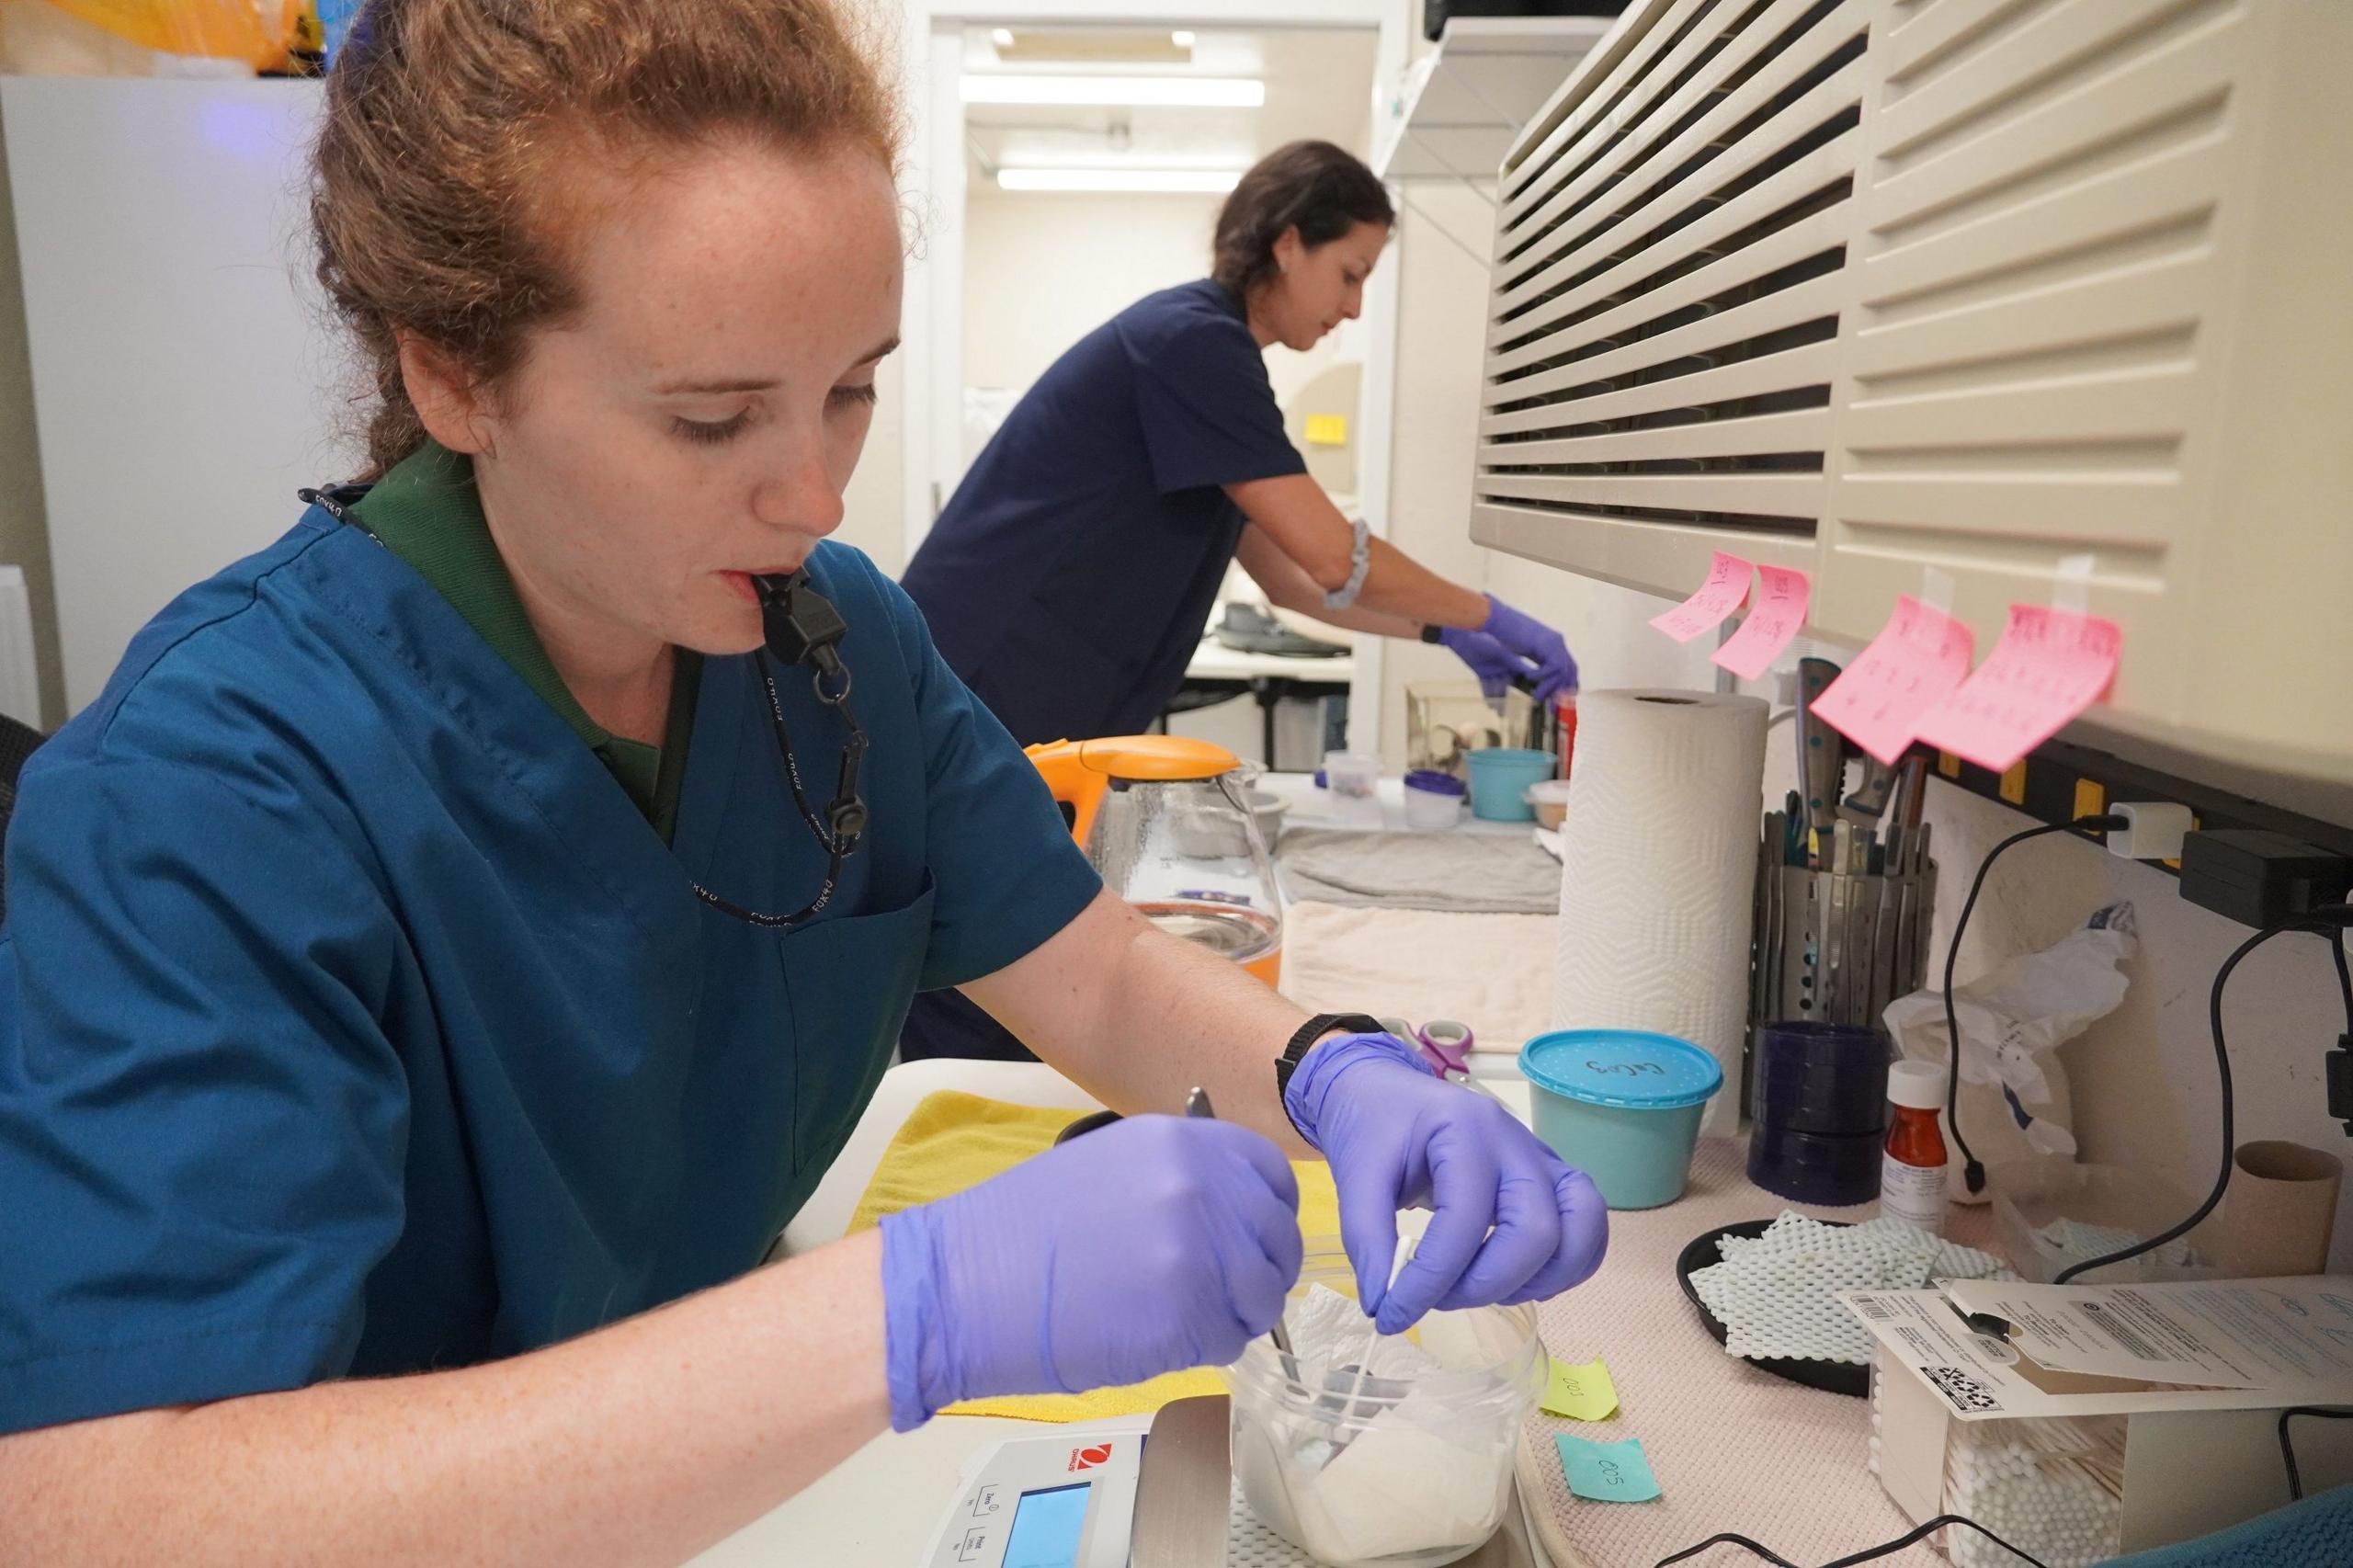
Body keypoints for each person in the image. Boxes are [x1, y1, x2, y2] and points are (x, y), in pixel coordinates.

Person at [0, 3, 1606, 1561]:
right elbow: (100, 1511)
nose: (816, 490)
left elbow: (1099, 977)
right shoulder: (208, 787)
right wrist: (907, 1310)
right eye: (714, 419)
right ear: (454, 378)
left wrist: (1338, 1076)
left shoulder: (836, 650)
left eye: (852, 384)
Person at [897, 139, 1576, 1061]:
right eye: (1349, 272)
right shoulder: (1191, 343)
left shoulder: (1212, 362)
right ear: (1287, 243)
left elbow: (1297, 581)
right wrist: (1485, 611)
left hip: (1042, 697)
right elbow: (1330, 548)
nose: (1352, 306)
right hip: (993, 681)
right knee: (987, 967)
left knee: (1020, 952)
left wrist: (1437, 629)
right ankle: (964, 1151)